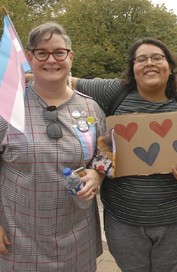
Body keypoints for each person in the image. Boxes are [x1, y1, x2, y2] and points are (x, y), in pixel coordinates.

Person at [72, 37, 177, 272]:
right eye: (141, 59)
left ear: (170, 66)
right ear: (132, 68)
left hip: (174, 220)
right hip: (124, 220)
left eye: (157, 58)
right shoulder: (114, 92)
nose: (149, 63)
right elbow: (63, 80)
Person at [0, 22, 105, 271]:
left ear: (70, 56)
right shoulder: (6, 107)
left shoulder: (91, 108)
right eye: (42, 52)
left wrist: (97, 173)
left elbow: (107, 151)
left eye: (59, 52)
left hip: (77, 236)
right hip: (18, 236)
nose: (51, 60)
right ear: (29, 57)